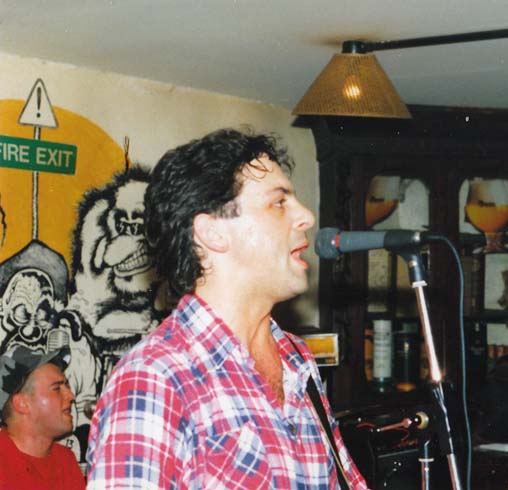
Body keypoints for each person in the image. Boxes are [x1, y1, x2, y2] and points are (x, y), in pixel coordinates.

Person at [86, 128, 367, 489]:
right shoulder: (155, 380)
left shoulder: (298, 360)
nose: (307, 217)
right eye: (279, 203)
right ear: (212, 233)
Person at [0, 345, 85, 489]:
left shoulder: (66, 460)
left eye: (67, 386)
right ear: (22, 404)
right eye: (57, 388)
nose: (71, 396)